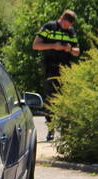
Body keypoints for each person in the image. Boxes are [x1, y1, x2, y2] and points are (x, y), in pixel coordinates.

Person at [31, 9, 80, 141]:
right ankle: (50, 129)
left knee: (65, 99)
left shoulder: (70, 31)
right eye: (65, 24)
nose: (67, 27)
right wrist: (53, 46)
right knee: (50, 100)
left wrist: (70, 49)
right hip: (50, 68)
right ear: (62, 19)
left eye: (69, 26)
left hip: (65, 69)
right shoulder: (49, 27)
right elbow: (36, 45)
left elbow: (77, 51)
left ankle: (65, 131)